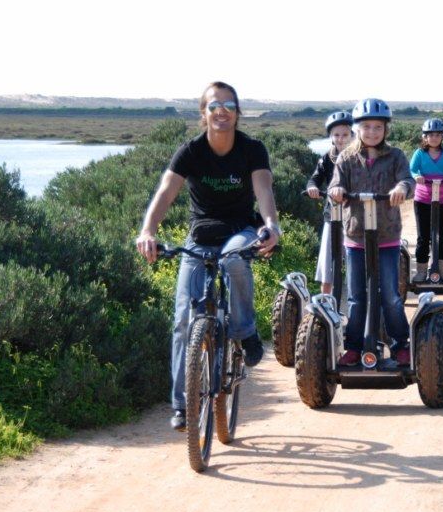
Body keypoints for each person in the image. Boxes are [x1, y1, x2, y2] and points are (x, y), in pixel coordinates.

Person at [135, 81, 281, 430]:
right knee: (184, 320)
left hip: (240, 230)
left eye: (229, 105)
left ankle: (245, 332)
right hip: (201, 235)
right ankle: (183, 405)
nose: (222, 111)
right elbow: (165, 193)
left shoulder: (252, 149)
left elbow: (263, 190)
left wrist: (271, 226)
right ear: (204, 113)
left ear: (237, 113)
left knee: (233, 259)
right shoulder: (191, 151)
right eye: (214, 106)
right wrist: (147, 231)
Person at [328, 98, 415, 367]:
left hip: (386, 236)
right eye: (367, 126)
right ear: (357, 128)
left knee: (389, 293)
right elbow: (336, 183)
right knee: (356, 296)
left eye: (378, 127)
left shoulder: (396, 156)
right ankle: (354, 346)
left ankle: (400, 343)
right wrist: (337, 190)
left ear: (386, 129)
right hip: (355, 237)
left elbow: (407, 180)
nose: (372, 132)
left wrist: (401, 188)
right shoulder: (347, 158)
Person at [306, 111, 354, 294]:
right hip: (331, 215)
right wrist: (312, 188)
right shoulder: (327, 158)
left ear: (352, 135)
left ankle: (359, 306)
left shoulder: (359, 157)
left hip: (355, 217)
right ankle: (325, 305)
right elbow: (314, 179)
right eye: (336, 135)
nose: (341, 139)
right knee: (327, 265)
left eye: (345, 134)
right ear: (331, 137)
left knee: (356, 263)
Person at [409, 118, 443, 283]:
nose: (434, 138)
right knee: (423, 237)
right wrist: (417, 176)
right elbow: (411, 169)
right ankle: (421, 271)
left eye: (438, 135)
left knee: (441, 235)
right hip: (423, 199)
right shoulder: (419, 153)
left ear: (442, 137)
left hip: (442, 199)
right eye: (430, 135)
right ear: (424, 137)